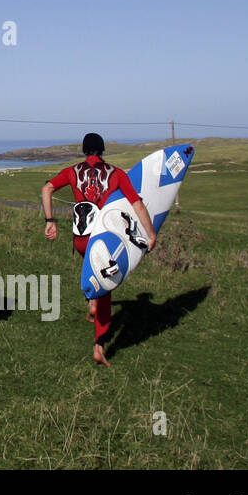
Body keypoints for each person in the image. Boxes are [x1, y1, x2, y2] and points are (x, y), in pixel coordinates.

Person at [40, 134, 156, 367]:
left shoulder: (72, 171)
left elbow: (47, 188)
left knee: (94, 273)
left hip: (81, 239)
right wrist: (150, 234)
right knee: (107, 287)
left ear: (84, 150)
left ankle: (91, 302)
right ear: (102, 150)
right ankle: (99, 346)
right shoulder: (116, 174)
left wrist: (50, 220)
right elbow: (137, 204)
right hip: (104, 239)